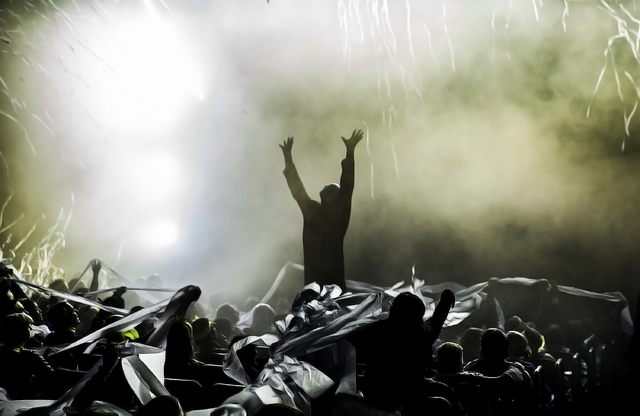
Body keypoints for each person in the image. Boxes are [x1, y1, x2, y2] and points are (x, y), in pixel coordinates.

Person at [280, 129, 363, 291]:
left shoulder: (339, 218)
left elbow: (347, 187)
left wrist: (350, 152)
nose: (325, 188)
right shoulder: (311, 210)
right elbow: (297, 189)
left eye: (330, 190)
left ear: (335, 198)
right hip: (313, 283)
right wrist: (288, 158)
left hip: (332, 284)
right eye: (327, 188)